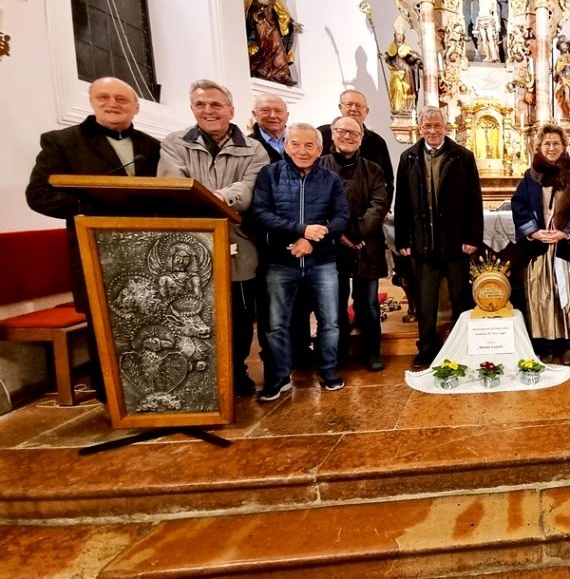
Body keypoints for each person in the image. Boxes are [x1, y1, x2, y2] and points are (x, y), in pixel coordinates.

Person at [26, 77, 162, 402]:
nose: (112, 104)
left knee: (150, 318)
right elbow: (39, 194)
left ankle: (151, 390)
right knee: (103, 321)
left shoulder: (151, 146)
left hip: (146, 249)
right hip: (94, 248)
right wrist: (92, 207)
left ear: (136, 107)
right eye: (104, 97)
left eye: (121, 99)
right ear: (92, 101)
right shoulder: (64, 142)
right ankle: (111, 397)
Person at [158, 80, 270, 396]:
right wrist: (214, 198)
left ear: (230, 110)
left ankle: (236, 371)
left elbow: (251, 189)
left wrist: (209, 196)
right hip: (189, 245)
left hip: (238, 243)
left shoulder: (254, 148)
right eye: (201, 105)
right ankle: (199, 378)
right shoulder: (174, 143)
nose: (209, 111)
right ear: (192, 109)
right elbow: (173, 186)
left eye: (216, 105)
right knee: (194, 312)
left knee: (239, 314)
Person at [250, 123, 350, 400]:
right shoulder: (270, 175)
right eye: (295, 144)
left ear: (319, 149)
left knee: (330, 321)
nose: (302, 151)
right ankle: (279, 377)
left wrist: (312, 238)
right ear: (285, 145)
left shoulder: (330, 179)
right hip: (281, 261)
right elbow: (261, 213)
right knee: (276, 323)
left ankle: (328, 371)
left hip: (322, 261)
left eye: (309, 145)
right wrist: (300, 230)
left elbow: (341, 217)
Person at [394, 106, 484, 369]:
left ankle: (463, 345)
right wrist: (402, 240)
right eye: (427, 126)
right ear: (419, 127)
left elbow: (473, 200)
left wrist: (472, 237)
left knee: (460, 298)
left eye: (437, 125)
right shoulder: (408, 157)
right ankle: (427, 348)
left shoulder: (462, 156)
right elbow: (401, 203)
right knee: (426, 300)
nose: (432, 131)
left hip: (456, 243)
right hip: (423, 243)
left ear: (446, 127)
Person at [511, 124, 570, 364]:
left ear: (564, 146)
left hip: (565, 246)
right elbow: (519, 206)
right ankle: (545, 342)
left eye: (556, 143)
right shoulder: (531, 175)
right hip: (540, 249)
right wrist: (533, 233)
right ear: (539, 147)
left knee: (567, 291)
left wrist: (566, 233)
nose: (551, 147)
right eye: (547, 144)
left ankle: (569, 343)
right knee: (542, 294)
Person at [317, 116, 390, 372]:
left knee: (368, 304)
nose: (348, 136)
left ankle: (372, 352)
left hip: (366, 245)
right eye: (342, 131)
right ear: (333, 134)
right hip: (330, 246)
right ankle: (338, 353)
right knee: (334, 304)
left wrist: (357, 233)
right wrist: (340, 234)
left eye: (354, 133)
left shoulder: (373, 169)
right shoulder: (319, 167)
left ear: (361, 138)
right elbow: (317, 205)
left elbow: (379, 204)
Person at [317, 90, 394, 188]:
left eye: (359, 106)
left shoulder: (377, 142)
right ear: (340, 107)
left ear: (366, 111)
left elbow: (387, 180)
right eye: (349, 104)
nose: (354, 109)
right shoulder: (321, 134)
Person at [245, 0, 302, 86]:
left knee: (278, 46)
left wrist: (292, 22)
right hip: (260, 23)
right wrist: (261, 1)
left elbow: (281, 11)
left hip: (272, 24)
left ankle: (283, 75)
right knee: (263, 48)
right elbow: (250, 6)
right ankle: (261, 71)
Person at [384, 30, 421, 114]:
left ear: (403, 37)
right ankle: (397, 107)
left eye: (401, 35)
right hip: (396, 71)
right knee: (397, 88)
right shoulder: (392, 46)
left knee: (407, 89)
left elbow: (410, 60)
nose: (399, 37)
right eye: (398, 35)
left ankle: (407, 108)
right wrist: (385, 56)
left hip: (406, 71)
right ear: (395, 36)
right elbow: (390, 56)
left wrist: (413, 58)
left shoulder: (407, 47)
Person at [250, 93, 288, 163]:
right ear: (255, 114)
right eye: (265, 110)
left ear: (287, 115)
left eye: (278, 111)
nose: (273, 116)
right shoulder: (247, 145)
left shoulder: (301, 140)